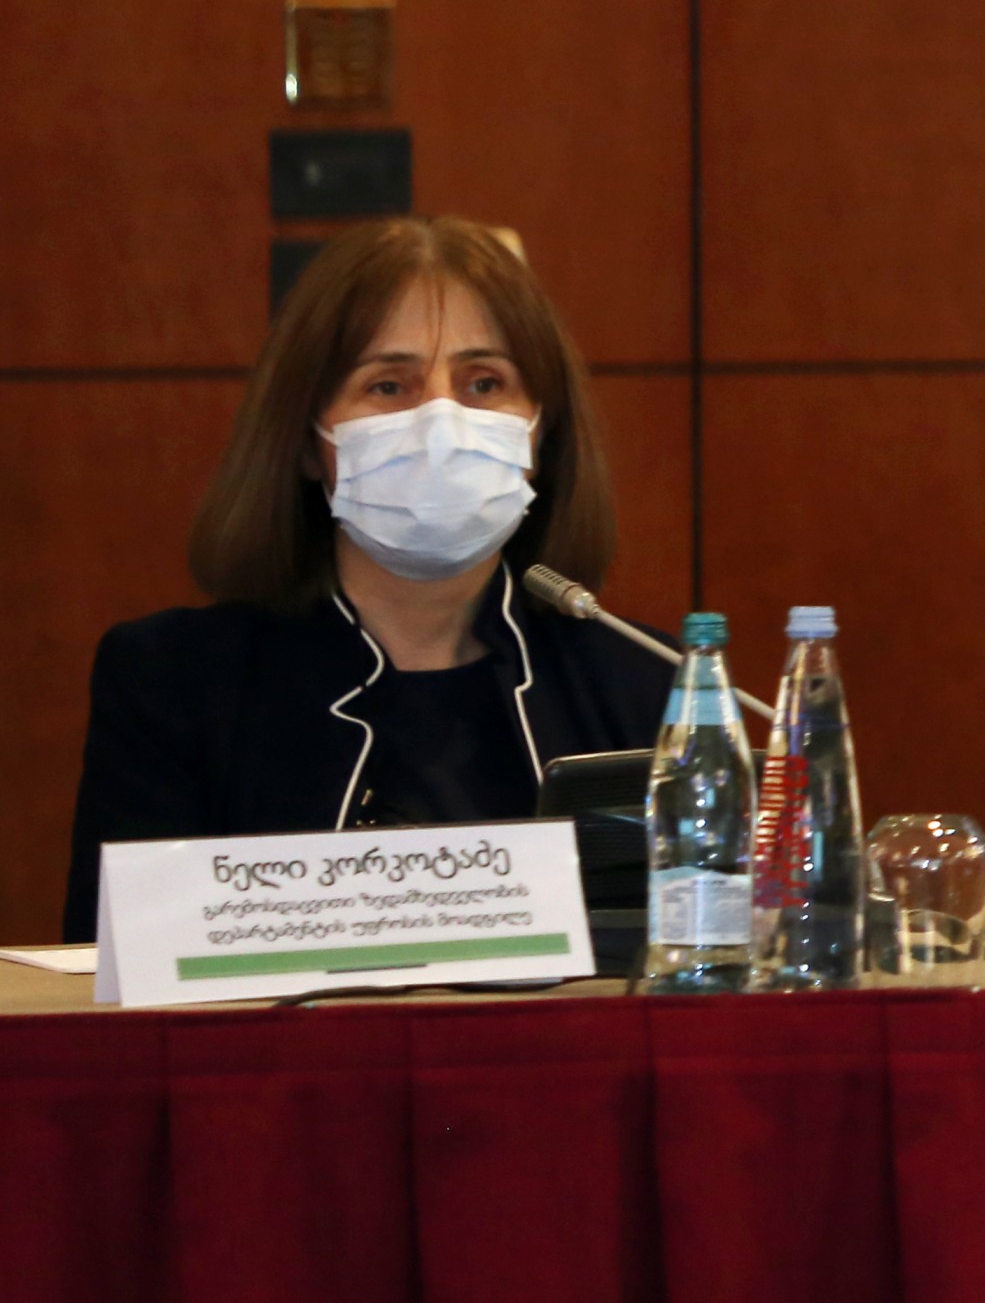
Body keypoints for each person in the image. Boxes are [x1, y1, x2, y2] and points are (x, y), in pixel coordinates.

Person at [62, 216, 667, 940]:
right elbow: (112, 975)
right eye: (388, 385)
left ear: (542, 430)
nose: (441, 423)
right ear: (306, 441)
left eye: (484, 383)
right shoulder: (175, 684)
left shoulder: (647, 685)